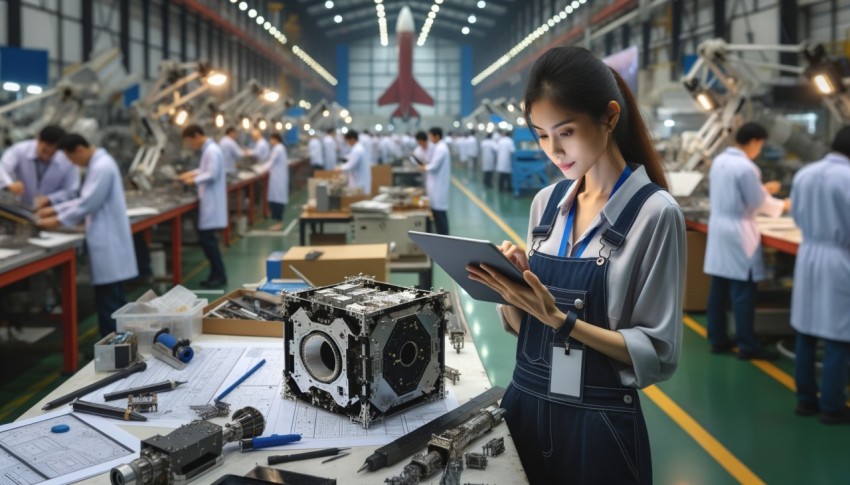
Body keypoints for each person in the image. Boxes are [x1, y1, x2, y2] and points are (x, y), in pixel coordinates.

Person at [466, 46, 684, 484]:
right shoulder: (546, 206)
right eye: (541, 135)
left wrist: (562, 321)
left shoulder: (655, 214)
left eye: (565, 132)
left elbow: (657, 352)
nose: (554, 151)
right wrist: (512, 288)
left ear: (608, 116)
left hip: (599, 428)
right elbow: (520, 325)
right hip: (524, 405)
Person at [35, 134, 137, 337]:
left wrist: (54, 220)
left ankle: (114, 347)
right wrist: (53, 209)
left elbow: (87, 203)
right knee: (114, 300)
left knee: (109, 302)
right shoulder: (99, 164)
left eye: (72, 159)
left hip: (108, 243)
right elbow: (84, 198)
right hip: (109, 242)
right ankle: (121, 343)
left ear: (79, 149)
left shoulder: (102, 166)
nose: (74, 164)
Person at [704, 122, 788, 360]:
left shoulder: (720, 161)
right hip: (739, 232)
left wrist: (763, 191)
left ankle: (718, 339)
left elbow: (744, 194)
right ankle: (747, 345)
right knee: (743, 291)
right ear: (755, 142)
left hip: (720, 229)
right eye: (760, 145)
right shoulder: (746, 167)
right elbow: (757, 203)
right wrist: (783, 204)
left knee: (718, 290)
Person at [789, 126, 850, 424]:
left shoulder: (806, 174)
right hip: (840, 259)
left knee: (807, 331)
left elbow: (797, 216)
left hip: (809, 254)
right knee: (839, 335)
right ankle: (833, 406)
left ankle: (805, 400)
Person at [179, 124, 228, 288]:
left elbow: (211, 174)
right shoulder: (209, 150)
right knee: (208, 241)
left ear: (197, 136)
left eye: (190, 142)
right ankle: (216, 273)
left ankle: (219, 275)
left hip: (211, 203)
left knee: (208, 241)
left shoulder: (211, 150)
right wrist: (191, 173)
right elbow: (204, 169)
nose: (191, 145)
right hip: (210, 201)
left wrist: (193, 180)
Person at [0, 125, 78, 209]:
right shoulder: (20, 150)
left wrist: (50, 199)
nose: (47, 156)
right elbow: (2, 168)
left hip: (48, 211)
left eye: (52, 153)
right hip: (18, 206)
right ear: (38, 139)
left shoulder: (68, 161)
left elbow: (71, 190)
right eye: (44, 151)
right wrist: (10, 184)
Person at [421, 127, 450, 235]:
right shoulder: (439, 147)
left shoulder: (441, 148)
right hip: (436, 187)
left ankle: (445, 240)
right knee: (438, 217)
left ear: (437, 136)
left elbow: (434, 166)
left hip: (439, 189)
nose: (430, 139)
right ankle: (443, 237)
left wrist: (425, 167)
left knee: (440, 217)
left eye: (431, 136)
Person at [258, 133, 289, 231]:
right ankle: (278, 221)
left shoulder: (278, 148)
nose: (270, 141)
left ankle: (279, 222)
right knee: (276, 199)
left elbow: (271, 161)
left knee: (277, 200)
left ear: (275, 139)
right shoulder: (280, 148)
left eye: (271, 139)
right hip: (277, 177)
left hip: (277, 178)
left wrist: (261, 169)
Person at [337, 130, 371, 194]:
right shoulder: (357, 148)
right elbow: (351, 158)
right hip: (359, 180)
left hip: (359, 182)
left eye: (347, 141)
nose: (347, 143)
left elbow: (351, 165)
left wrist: (340, 168)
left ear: (352, 139)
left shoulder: (358, 150)